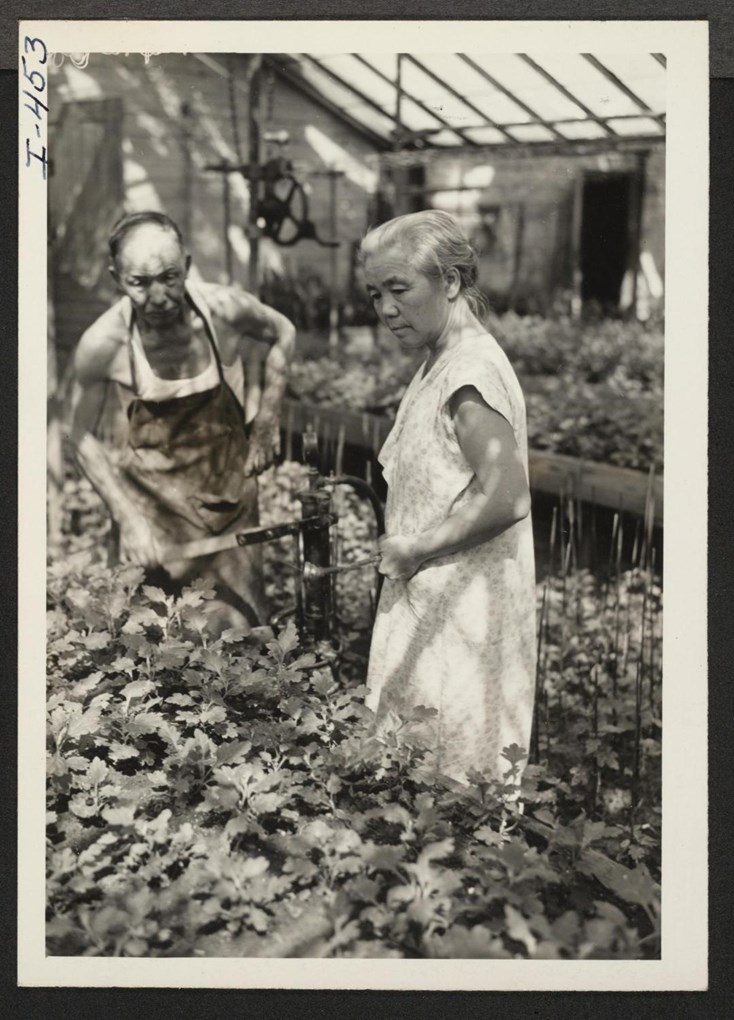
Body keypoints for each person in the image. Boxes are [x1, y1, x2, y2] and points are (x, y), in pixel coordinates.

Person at [360, 210, 536, 784]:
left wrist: (414, 549)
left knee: (451, 788)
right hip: (434, 604)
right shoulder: (440, 360)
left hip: (462, 617)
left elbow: (507, 496)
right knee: (420, 782)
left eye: (399, 289)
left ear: (452, 282)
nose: (385, 309)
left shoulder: (470, 374)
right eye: (374, 293)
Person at [67, 210, 296, 633]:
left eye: (170, 277)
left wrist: (267, 419)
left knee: (240, 645)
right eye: (140, 283)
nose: (158, 297)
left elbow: (283, 330)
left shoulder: (225, 311)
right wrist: (128, 518)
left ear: (187, 266)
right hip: (153, 517)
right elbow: (77, 432)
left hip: (229, 506)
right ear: (117, 278)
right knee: (154, 646)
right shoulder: (103, 344)